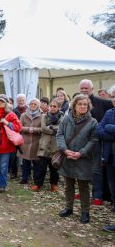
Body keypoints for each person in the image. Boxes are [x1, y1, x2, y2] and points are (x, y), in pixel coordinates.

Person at [57, 94, 98, 224]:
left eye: (85, 104)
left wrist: (81, 153)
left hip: (83, 159)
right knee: (68, 185)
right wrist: (65, 150)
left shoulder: (93, 122)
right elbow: (60, 135)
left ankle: (85, 212)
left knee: (83, 187)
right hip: (67, 156)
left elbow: (93, 140)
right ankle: (68, 208)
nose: (82, 106)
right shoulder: (66, 119)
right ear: (74, 105)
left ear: (88, 106)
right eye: (80, 104)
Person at [79, 79, 113, 206]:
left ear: (92, 89)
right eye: (82, 88)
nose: (84, 90)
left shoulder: (104, 103)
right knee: (83, 167)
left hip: (98, 142)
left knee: (96, 169)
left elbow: (108, 121)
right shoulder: (77, 103)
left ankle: (98, 195)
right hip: (81, 141)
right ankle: (85, 191)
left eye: (86, 88)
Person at [34, 98, 64, 192]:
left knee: (54, 167)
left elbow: (61, 128)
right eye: (51, 106)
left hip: (56, 145)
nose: (52, 108)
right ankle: (38, 184)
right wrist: (54, 130)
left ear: (59, 107)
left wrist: (50, 127)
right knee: (41, 166)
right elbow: (43, 128)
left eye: (54, 106)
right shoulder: (44, 116)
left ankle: (54, 184)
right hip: (45, 144)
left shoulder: (62, 117)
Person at [96, 95, 115, 232]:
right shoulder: (109, 113)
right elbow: (99, 130)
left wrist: (110, 127)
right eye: (114, 97)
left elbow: (105, 128)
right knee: (113, 188)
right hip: (110, 156)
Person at [18, 98, 43, 185]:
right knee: (25, 161)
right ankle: (24, 178)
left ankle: (36, 179)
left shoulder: (42, 115)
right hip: (25, 142)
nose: (32, 105)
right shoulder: (23, 115)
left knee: (36, 162)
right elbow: (19, 127)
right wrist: (29, 129)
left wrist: (34, 130)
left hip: (37, 142)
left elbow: (43, 129)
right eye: (31, 103)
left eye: (35, 104)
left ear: (38, 106)